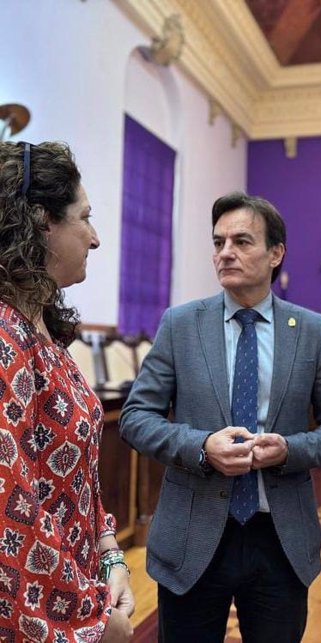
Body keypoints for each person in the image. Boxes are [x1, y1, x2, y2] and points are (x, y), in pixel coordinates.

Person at [119, 191, 321, 642]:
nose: (225, 252)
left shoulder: (311, 330)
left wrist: (290, 449)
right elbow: (135, 417)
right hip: (193, 537)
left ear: (276, 254)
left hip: (280, 536)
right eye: (218, 242)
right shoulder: (180, 324)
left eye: (242, 241)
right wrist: (201, 447)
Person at [0, 141, 134, 641]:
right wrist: (93, 621)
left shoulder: (45, 333)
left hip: (81, 585)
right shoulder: (5, 334)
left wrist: (109, 555)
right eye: (85, 217)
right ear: (40, 222)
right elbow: (8, 512)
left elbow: (75, 474)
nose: (95, 238)